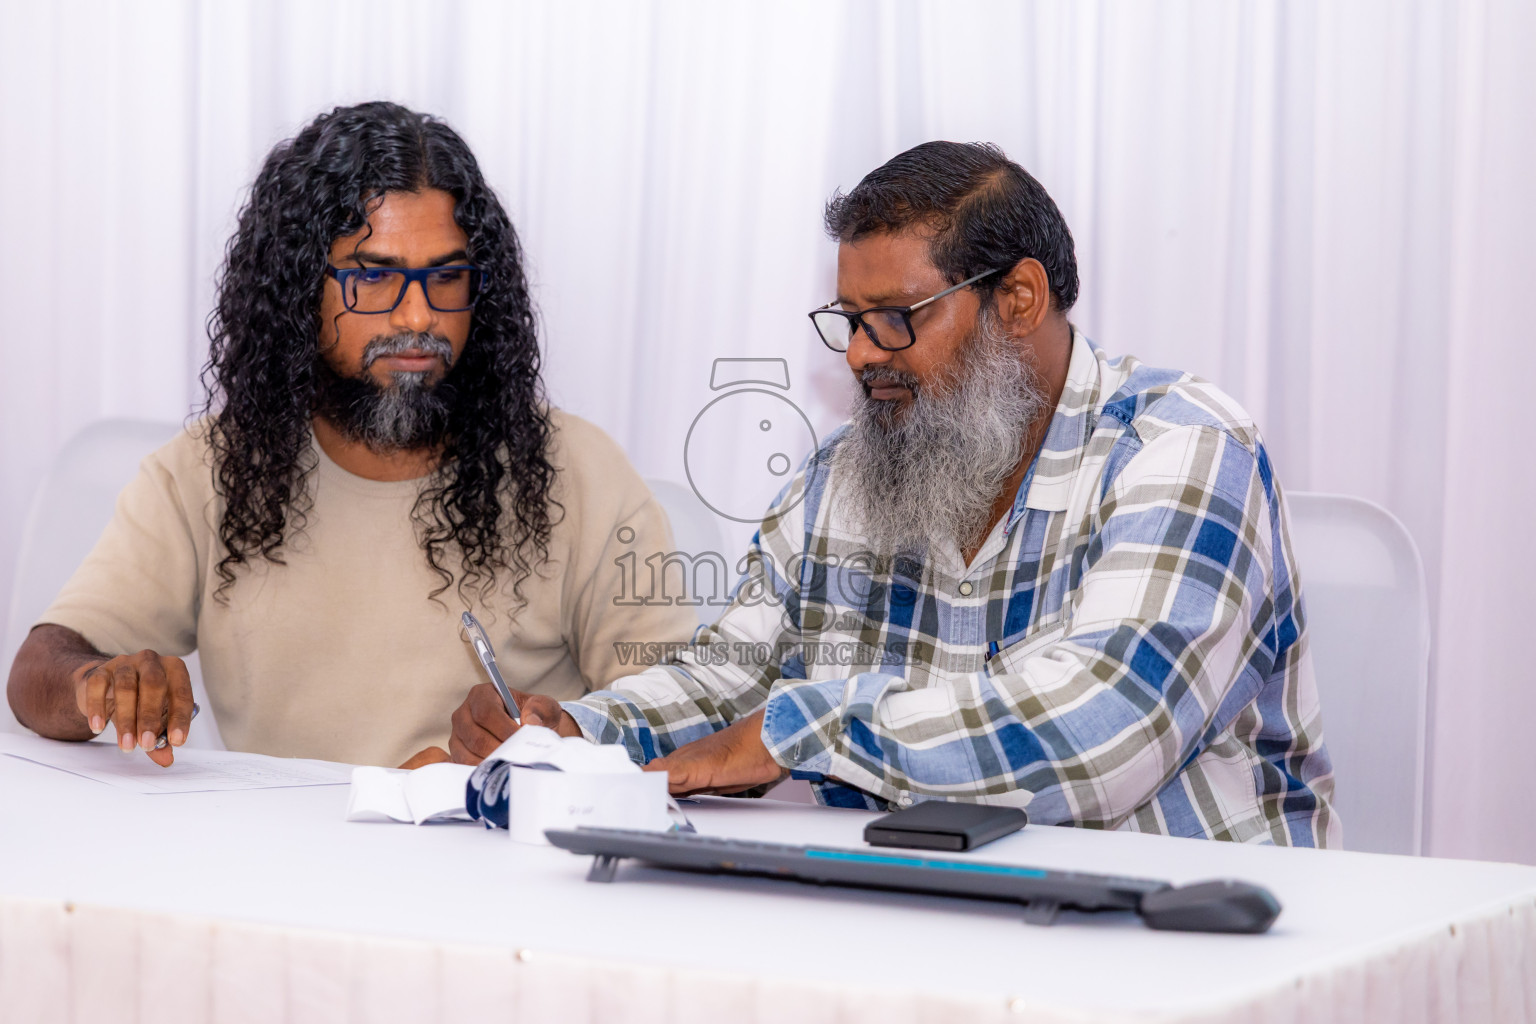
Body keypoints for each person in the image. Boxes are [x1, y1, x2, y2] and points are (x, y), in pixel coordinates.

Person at [455, 141, 1338, 847]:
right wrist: (579, 734)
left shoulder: (1179, 445)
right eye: (850, 321)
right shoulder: (847, 473)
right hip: (928, 924)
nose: (859, 353)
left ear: (1018, 299)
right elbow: (733, 681)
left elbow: (1103, 733)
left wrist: (805, 731)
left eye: (896, 319)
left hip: (1190, 932)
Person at [5, 102, 696, 769]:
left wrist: (566, 737)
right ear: (300, 289)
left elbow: (691, 711)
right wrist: (100, 686)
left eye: (447, 277)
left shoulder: (576, 472)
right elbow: (39, 669)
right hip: (273, 847)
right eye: (375, 277)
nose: (419, 317)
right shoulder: (207, 472)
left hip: (492, 845)